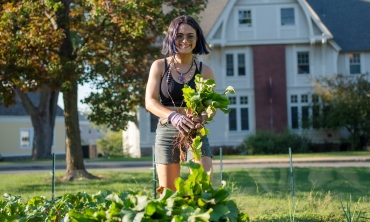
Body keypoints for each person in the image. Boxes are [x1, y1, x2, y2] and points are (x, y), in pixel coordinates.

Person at [145, 15, 215, 191]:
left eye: (190, 36)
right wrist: (173, 116)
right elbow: (150, 101)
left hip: (195, 131)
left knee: (202, 187)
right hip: (167, 128)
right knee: (168, 193)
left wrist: (204, 117)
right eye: (179, 36)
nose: (185, 40)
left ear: (197, 38)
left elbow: (211, 106)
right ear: (171, 38)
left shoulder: (205, 71)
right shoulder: (160, 66)